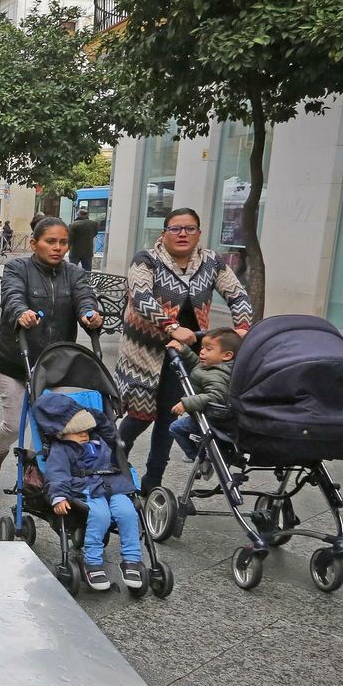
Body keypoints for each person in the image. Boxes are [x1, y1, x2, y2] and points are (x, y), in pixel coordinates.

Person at [115, 208, 253, 491]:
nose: (182, 234)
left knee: (169, 416)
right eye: (175, 229)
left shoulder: (212, 262)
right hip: (144, 354)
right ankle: (112, 468)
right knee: (139, 417)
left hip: (188, 355)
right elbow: (141, 296)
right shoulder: (146, 260)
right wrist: (171, 326)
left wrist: (242, 329)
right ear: (163, 233)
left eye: (189, 229)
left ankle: (153, 480)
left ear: (199, 234)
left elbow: (237, 295)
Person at [0, 217, 104, 483]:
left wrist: (90, 314)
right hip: (17, 360)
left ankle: (32, 469)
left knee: (50, 423)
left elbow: (86, 298)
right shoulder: (17, 268)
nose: (58, 248)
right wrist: (21, 312)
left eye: (63, 242)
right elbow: (12, 295)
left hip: (56, 364)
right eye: (50, 242)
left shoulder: (74, 274)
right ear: (34, 243)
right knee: (15, 424)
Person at [34, 392, 144, 591]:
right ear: (62, 433)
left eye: (86, 429)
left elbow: (109, 430)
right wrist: (58, 496)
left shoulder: (99, 439)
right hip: (85, 487)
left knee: (128, 512)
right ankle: (93, 562)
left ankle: (132, 559)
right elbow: (56, 474)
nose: (84, 434)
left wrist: (84, 413)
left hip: (113, 484)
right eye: (78, 432)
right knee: (100, 515)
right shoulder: (61, 449)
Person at [167, 326, 241, 464]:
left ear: (227, 355)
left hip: (212, 419)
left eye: (209, 349)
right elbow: (196, 365)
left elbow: (215, 396)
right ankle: (204, 453)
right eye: (202, 348)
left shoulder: (218, 375)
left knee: (175, 428)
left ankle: (197, 458)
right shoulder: (213, 366)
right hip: (211, 416)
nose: (202, 352)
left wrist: (186, 403)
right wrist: (183, 350)